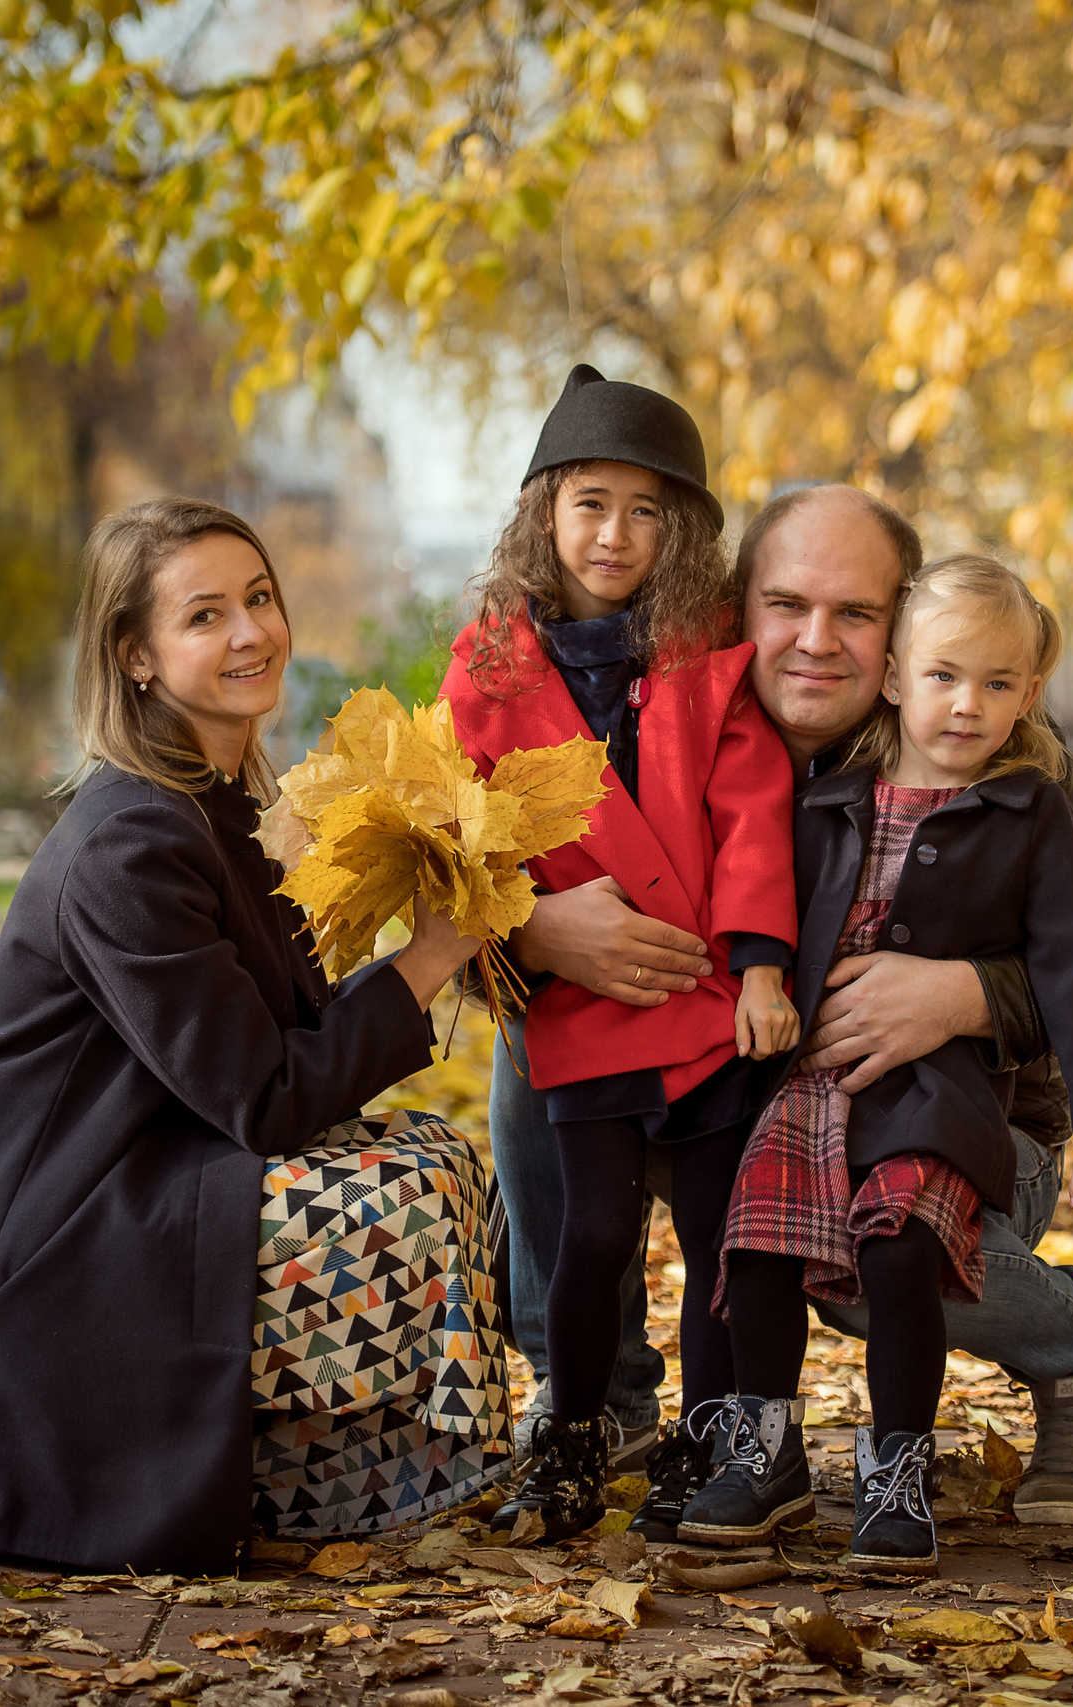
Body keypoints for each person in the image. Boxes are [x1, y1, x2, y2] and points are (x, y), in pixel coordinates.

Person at [491, 483, 1073, 1533]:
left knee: (860, 1238)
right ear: (737, 611)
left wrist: (966, 993)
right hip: (751, 1094)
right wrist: (527, 931)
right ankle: (604, 1396)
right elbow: (486, 871)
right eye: (786, 605)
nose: (815, 641)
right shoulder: (660, 718)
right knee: (542, 1049)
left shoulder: (988, 749)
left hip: (968, 1122)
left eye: (856, 615)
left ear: (899, 630)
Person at [0, 497, 499, 1571]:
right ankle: (297, 1465)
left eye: (259, 599)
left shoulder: (219, 807)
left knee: (438, 1156)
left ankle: (320, 1466)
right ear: (136, 655)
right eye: (204, 616)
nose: (248, 634)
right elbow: (265, 1097)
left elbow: (286, 1033)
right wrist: (428, 957)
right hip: (68, 1233)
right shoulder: (131, 840)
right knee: (396, 1199)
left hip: (153, 1172)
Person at [699, 555, 1073, 1572]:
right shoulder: (826, 798)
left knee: (897, 1254)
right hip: (809, 1092)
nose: (967, 705)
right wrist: (760, 982)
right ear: (895, 676)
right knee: (762, 1248)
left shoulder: (1032, 816)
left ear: (1030, 696)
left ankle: (896, 1475)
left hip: (935, 1102)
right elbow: (755, 900)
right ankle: (762, 1451)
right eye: (944, 676)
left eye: (997, 685)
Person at [442, 365, 801, 1544]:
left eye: (647, 511)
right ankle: (574, 1431)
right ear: (544, 510)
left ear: (681, 530)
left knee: (718, 1245)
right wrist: (529, 940)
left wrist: (758, 966)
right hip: (583, 999)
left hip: (702, 999)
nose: (615, 532)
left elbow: (751, 810)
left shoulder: (706, 655)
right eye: (591, 502)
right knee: (588, 1240)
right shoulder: (489, 666)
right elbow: (458, 829)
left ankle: (709, 1439)